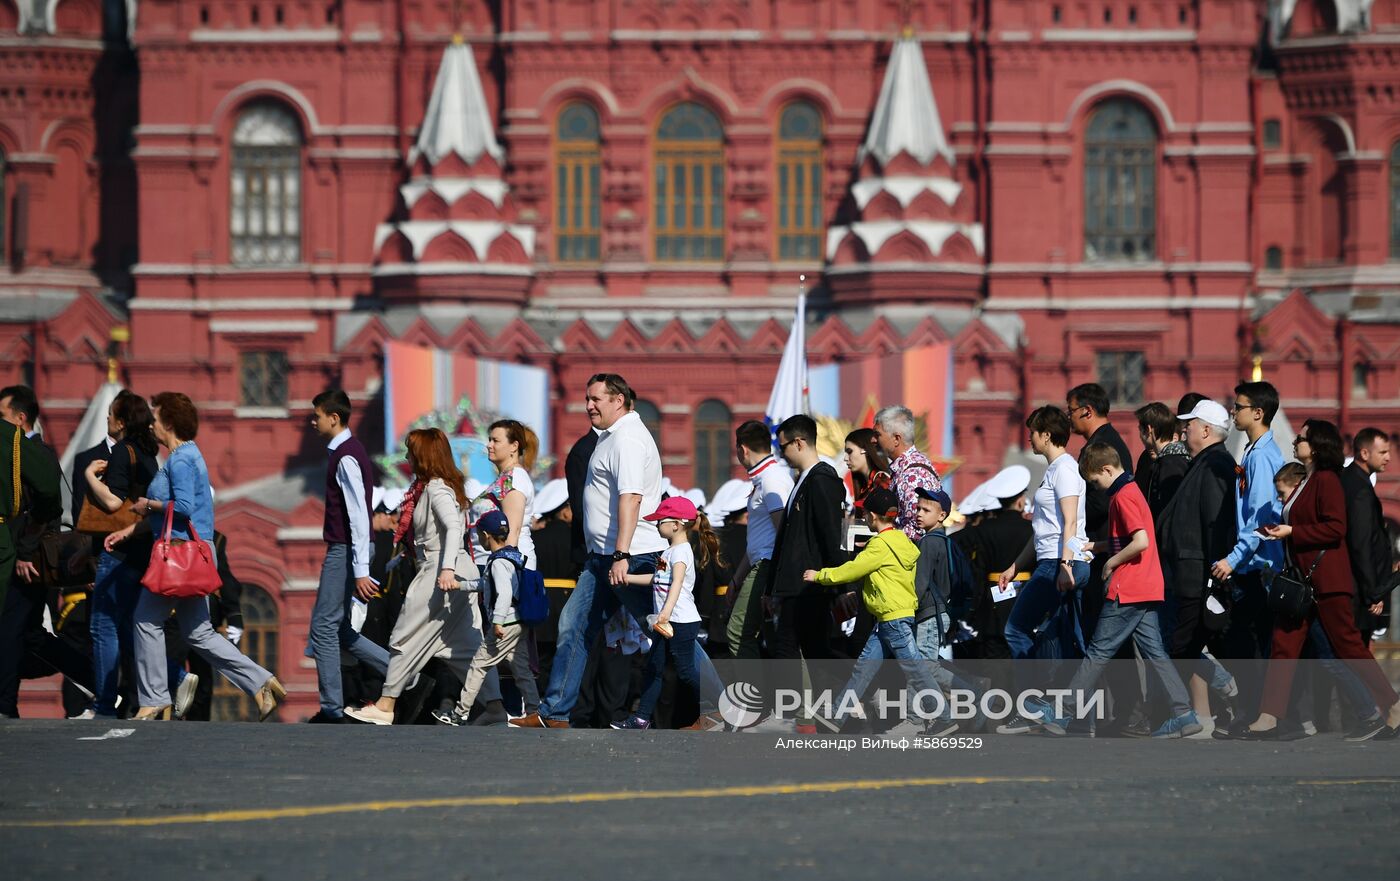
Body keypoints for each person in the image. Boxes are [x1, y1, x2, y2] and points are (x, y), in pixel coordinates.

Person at [511, 374, 722, 729]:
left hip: (629, 553)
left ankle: (720, 706)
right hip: (604, 557)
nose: (589, 405)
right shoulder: (613, 438)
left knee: (663, 627)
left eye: (596, 399)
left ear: (619, 400)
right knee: (574, 626)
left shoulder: (627, 439)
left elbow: (631, 498)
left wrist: (621, 554)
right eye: (587, 398)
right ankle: (555, 712)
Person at [108, 392, 284, 721]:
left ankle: (154, 698)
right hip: (195, 556)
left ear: (169, 424)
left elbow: (184, 508)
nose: (151, 425)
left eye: (155, 418)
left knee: (145, 621)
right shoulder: (186, 456)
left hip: (179, 557)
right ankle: (262, 682)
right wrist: (132, 530)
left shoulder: (180, 460)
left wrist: (149, 504)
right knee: (199, 633)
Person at [1244, 420, 1400, 741]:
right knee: (1284, 646)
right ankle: (1269, 716)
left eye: (1301, 437)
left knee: (1349, 647)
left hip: (1328, 581)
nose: (1295, 441)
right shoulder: (1307, 480)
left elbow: (1335, 528)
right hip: (1303, 582)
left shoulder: (1327, 479)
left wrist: (1292, 532)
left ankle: (1392, 706)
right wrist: (1280, 531)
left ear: (1315, 445)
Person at [1036, 442, 1201, 738]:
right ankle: (1184, 714)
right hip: (1147, 585)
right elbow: (1132, 538)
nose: (1096, 488)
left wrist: (1110, 562)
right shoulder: (1132, 490)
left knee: (1098, 652)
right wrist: (1097, 546)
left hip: (1128, 587)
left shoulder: (1122, 497)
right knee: (1156, 654)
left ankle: (1062, 713)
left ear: (1107, 470)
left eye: (1096, 481)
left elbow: (1140, 542)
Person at [345, 428, 483, 725]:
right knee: (467, 648)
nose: (407, 457)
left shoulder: (435, 488)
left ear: (424, 455)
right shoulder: (444, 485)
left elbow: (453, 529)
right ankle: (495, 705)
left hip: (439, 568)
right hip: (455, 566)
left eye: (411, 452)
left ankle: (385, 704)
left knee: (403, 636)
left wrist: (445, 568)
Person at [805, 487, 950, 735]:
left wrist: (820, 575)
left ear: (872, 516)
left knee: (915, 670)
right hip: (892, 618)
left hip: (891, 619)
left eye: (865, 515)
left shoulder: (879, 546)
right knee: (864, 669)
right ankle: (837, 716)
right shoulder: (903, 541)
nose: (864, 519)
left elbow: (851, 570)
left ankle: (945, 717)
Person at [995, 406, 1092, 734]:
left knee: (1016, 628)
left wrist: (1065, 564)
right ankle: (1060, 713)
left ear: (1046, 435)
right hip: (1052, 559)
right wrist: (1014, 565)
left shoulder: (1065, 469)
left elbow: (1070, 522)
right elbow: (1043, 531)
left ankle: (1033, 704)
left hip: (1058, 563)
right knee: (1062, 639)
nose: (1029, 437)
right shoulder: (1054, 470)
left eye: (1033, 431)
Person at [0, 386, 88, 717]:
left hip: (27, 560)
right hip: (23, 557)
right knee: (32, 636)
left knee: (9, 631)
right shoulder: (19, 450)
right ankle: (99, 680)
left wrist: (23, 552)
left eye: (2, 417)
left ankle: (5, 705)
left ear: (20, 419)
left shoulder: (34, 453)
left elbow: (45, 510)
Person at [79, 391, 163, 718]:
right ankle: (176, 676)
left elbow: (113, 503)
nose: (107, 420)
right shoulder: (147, 453)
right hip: (141, 548)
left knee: (103, 625)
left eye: (112, 415)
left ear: (123, 421)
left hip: (118, 549)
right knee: (128, 626)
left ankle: (103, 703)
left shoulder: (121, 452)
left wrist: (89, 475)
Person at [307, 389, 389, 723]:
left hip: (346, 549)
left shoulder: (346, 456)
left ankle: (331, 709)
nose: (314, 422)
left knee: (323, 629)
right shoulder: (346, 453)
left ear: (334, 418)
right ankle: (401, 674)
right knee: (338, 629)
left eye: (317, 416)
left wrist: (360, 570)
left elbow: (358, 515)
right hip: (348, 548)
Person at [762, 413, 847, 730]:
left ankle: (787, 716)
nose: (781, 454)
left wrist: (837, 585)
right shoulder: (805, 480)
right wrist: (773, 588)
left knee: (789, 647)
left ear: (799, 442)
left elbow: (828, 535)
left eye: (783, 446)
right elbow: (788, 538)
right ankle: (855, 694)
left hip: (811, 582)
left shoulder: (822, 478)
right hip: (798, 581)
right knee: (815, 650)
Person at [613, 496, 720, 729]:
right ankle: (641, 718)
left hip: (679, 621)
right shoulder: (668, 552)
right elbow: (659, 579)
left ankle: (719, 710)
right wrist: (627, 579)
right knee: (654, 667)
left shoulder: (681, 552)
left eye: (660, 521)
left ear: (676, 524)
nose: (656, 525)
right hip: (668, 620)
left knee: (685, 670)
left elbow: (677, 584)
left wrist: (665, 614)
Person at [1211, 382, 1286, 714]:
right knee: (1249, 642)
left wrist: (1232, 559)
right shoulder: (1255, 452)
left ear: (1258, 413)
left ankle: (1258, 713)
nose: (1233, 412)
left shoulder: (1261, 458)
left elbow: (1259, 519)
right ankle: (1259, 713)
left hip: (1256, 566)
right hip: (1252, 564)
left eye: (1238, 407)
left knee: (1247, 644)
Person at [433, 510, 540, 726]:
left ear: (486, 535)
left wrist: (498, 622)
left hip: (506, 623)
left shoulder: (499, 562)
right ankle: (534, 710)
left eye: (479, 534)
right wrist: (460, 585)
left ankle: (460, 713)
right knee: (521, 670)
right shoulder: (511, 556)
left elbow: (504, 594)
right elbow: (486, 585)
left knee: (478, 666)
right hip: (518, 621)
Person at [725, 420, 793, 662]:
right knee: (779, 641)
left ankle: (751, 699)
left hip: (767, 566)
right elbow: (758, 539)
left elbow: (784, 531)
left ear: (743, 449)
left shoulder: (772, 479)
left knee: (738, 632)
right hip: (761, 564)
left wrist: (774, 582)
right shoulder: (765, 478)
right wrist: (737, 579)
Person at [957, 466, 1033, 666]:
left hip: (992, 605)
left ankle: (1000, 697)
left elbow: (970, 560)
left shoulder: (983, 530)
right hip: (1026, 597)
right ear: (1019, 501)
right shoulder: (1032, 529)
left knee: (995, 661)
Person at [1343, 428, 1393, 643]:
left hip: (1354, 587)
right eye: (1382, 452)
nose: (1388, 458)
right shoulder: (1360, 489)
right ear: (1364, 454)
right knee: (1353, 660)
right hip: (1359, 593)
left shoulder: (1351, 480)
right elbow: (1361, 544)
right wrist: (1373, 592)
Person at [873, 406, 941, 541]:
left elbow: (917, 530)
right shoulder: (905, 469)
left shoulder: (913, 475)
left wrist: (880, 544)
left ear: (896, 439)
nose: (873, 441)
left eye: (878, 435)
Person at [481, 419, 540, 569]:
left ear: (514, 446)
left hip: (510, 567)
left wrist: (504, 571)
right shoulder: (507, 477)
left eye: (495, 441)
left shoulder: (513, 480)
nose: (489, 445)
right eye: (489, 440)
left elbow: (511, 532)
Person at [1134, 402, 1189, 518]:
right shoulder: (1170, 459)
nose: (1139, 435)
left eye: (1140, 429)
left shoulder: (1171, 463)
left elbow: (1170, 511)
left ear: (1149, 430)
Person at [843, 427, 892, 515]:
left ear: (866, 449)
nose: (845, 459)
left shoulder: (882, 481)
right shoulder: (864, 486)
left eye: (849, 452)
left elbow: (887, 519)